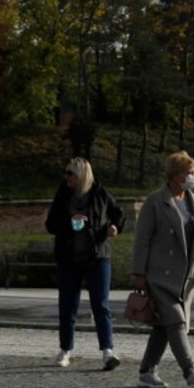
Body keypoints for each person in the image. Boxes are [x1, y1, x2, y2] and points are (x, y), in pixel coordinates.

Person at [132, 150, 194, 388]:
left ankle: (147, 372)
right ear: (175, 174)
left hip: (185, 279)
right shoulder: (156, 201)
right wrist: (139, 272)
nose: (192, 176)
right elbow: (142, 239)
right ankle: (191, 372)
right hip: (159, 275)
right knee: (176, 321)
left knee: (164, 326)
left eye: (193, 172)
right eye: (189, 172)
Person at [45, 157, 125, 370]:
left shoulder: (99, 192)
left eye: (70, 173)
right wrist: (70, 222)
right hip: (69, 257)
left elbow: (118, 212)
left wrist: (114, 226)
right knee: (67, 306)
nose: (67, 177)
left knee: (101, 305)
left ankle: (107, 352)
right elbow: (50, 224)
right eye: (66, 173)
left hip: (97, 257)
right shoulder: (63, 194)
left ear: (81, 175)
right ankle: (65, 350)